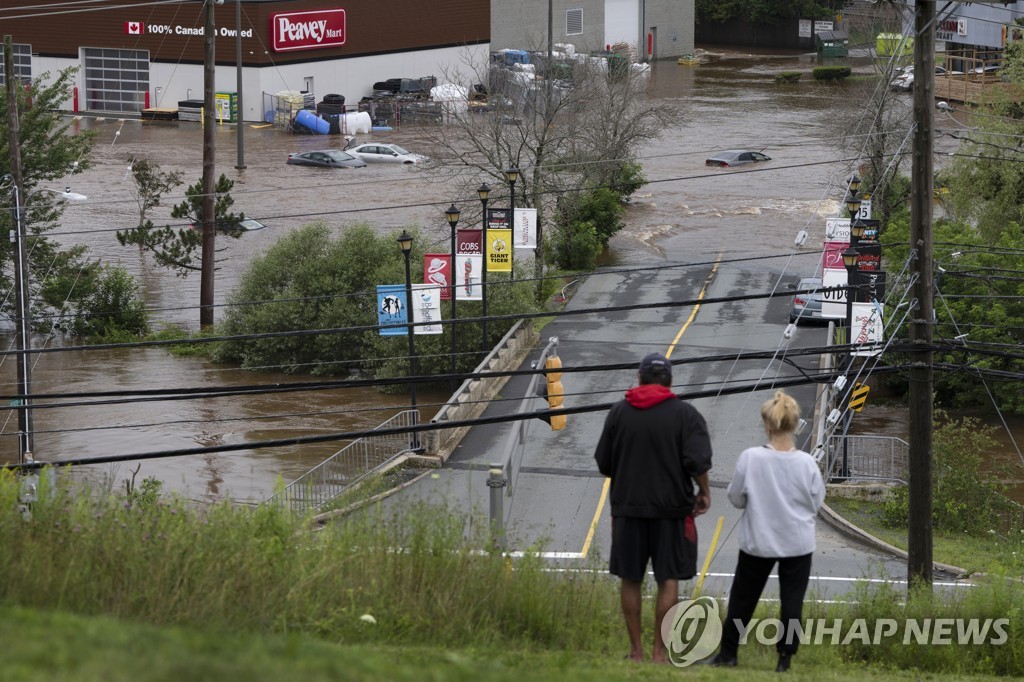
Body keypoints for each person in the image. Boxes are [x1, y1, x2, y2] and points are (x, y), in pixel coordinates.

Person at [594, 352, 713, 663]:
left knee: (630, 578)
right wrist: (704, 491)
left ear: (639, 378)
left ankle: (636, 651)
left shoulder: (619, 414)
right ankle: (660, 653)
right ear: (670, 382)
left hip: (629, 509)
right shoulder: (685, 415)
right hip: (672, 511)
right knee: (668, 578)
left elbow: (604, 463)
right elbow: (698, 462)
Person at [707, 389, 825, 673]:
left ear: (767, 425)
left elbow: (736, 497)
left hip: (758, 539)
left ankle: (729, 652)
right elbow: (816, 501)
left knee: (743, 597)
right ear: (795, 425)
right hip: (797, 542)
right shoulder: (807, 463)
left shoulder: (751, 458)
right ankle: (784, 658)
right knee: (792, 600)